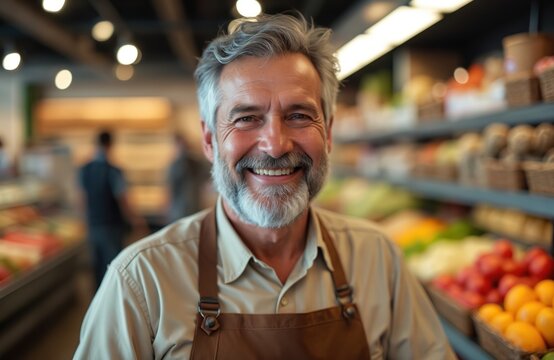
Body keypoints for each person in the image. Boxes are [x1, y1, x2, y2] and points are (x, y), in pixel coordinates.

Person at [74, 14, 456, 359]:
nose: (275, 144)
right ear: (209, 141)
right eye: (246, 118)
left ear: (329, 134)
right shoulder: (142, 280)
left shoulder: (378, 259)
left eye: (299, 115)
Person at [78, 130, 146, 289]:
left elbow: (81, 199)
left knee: (95, 266)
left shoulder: (84, 169)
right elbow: (123, 198)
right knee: (112, 267)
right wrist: (136, 219)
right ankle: (110, 300)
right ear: (110, 145)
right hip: (111, 225)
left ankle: (96, 302)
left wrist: (84, 220)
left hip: (93, 224)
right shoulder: (114, 170)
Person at [166, 133, 206, 223]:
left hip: (181, 209)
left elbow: (170, 188)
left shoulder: (177, 164)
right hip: (190, 206)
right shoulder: (193, 162)